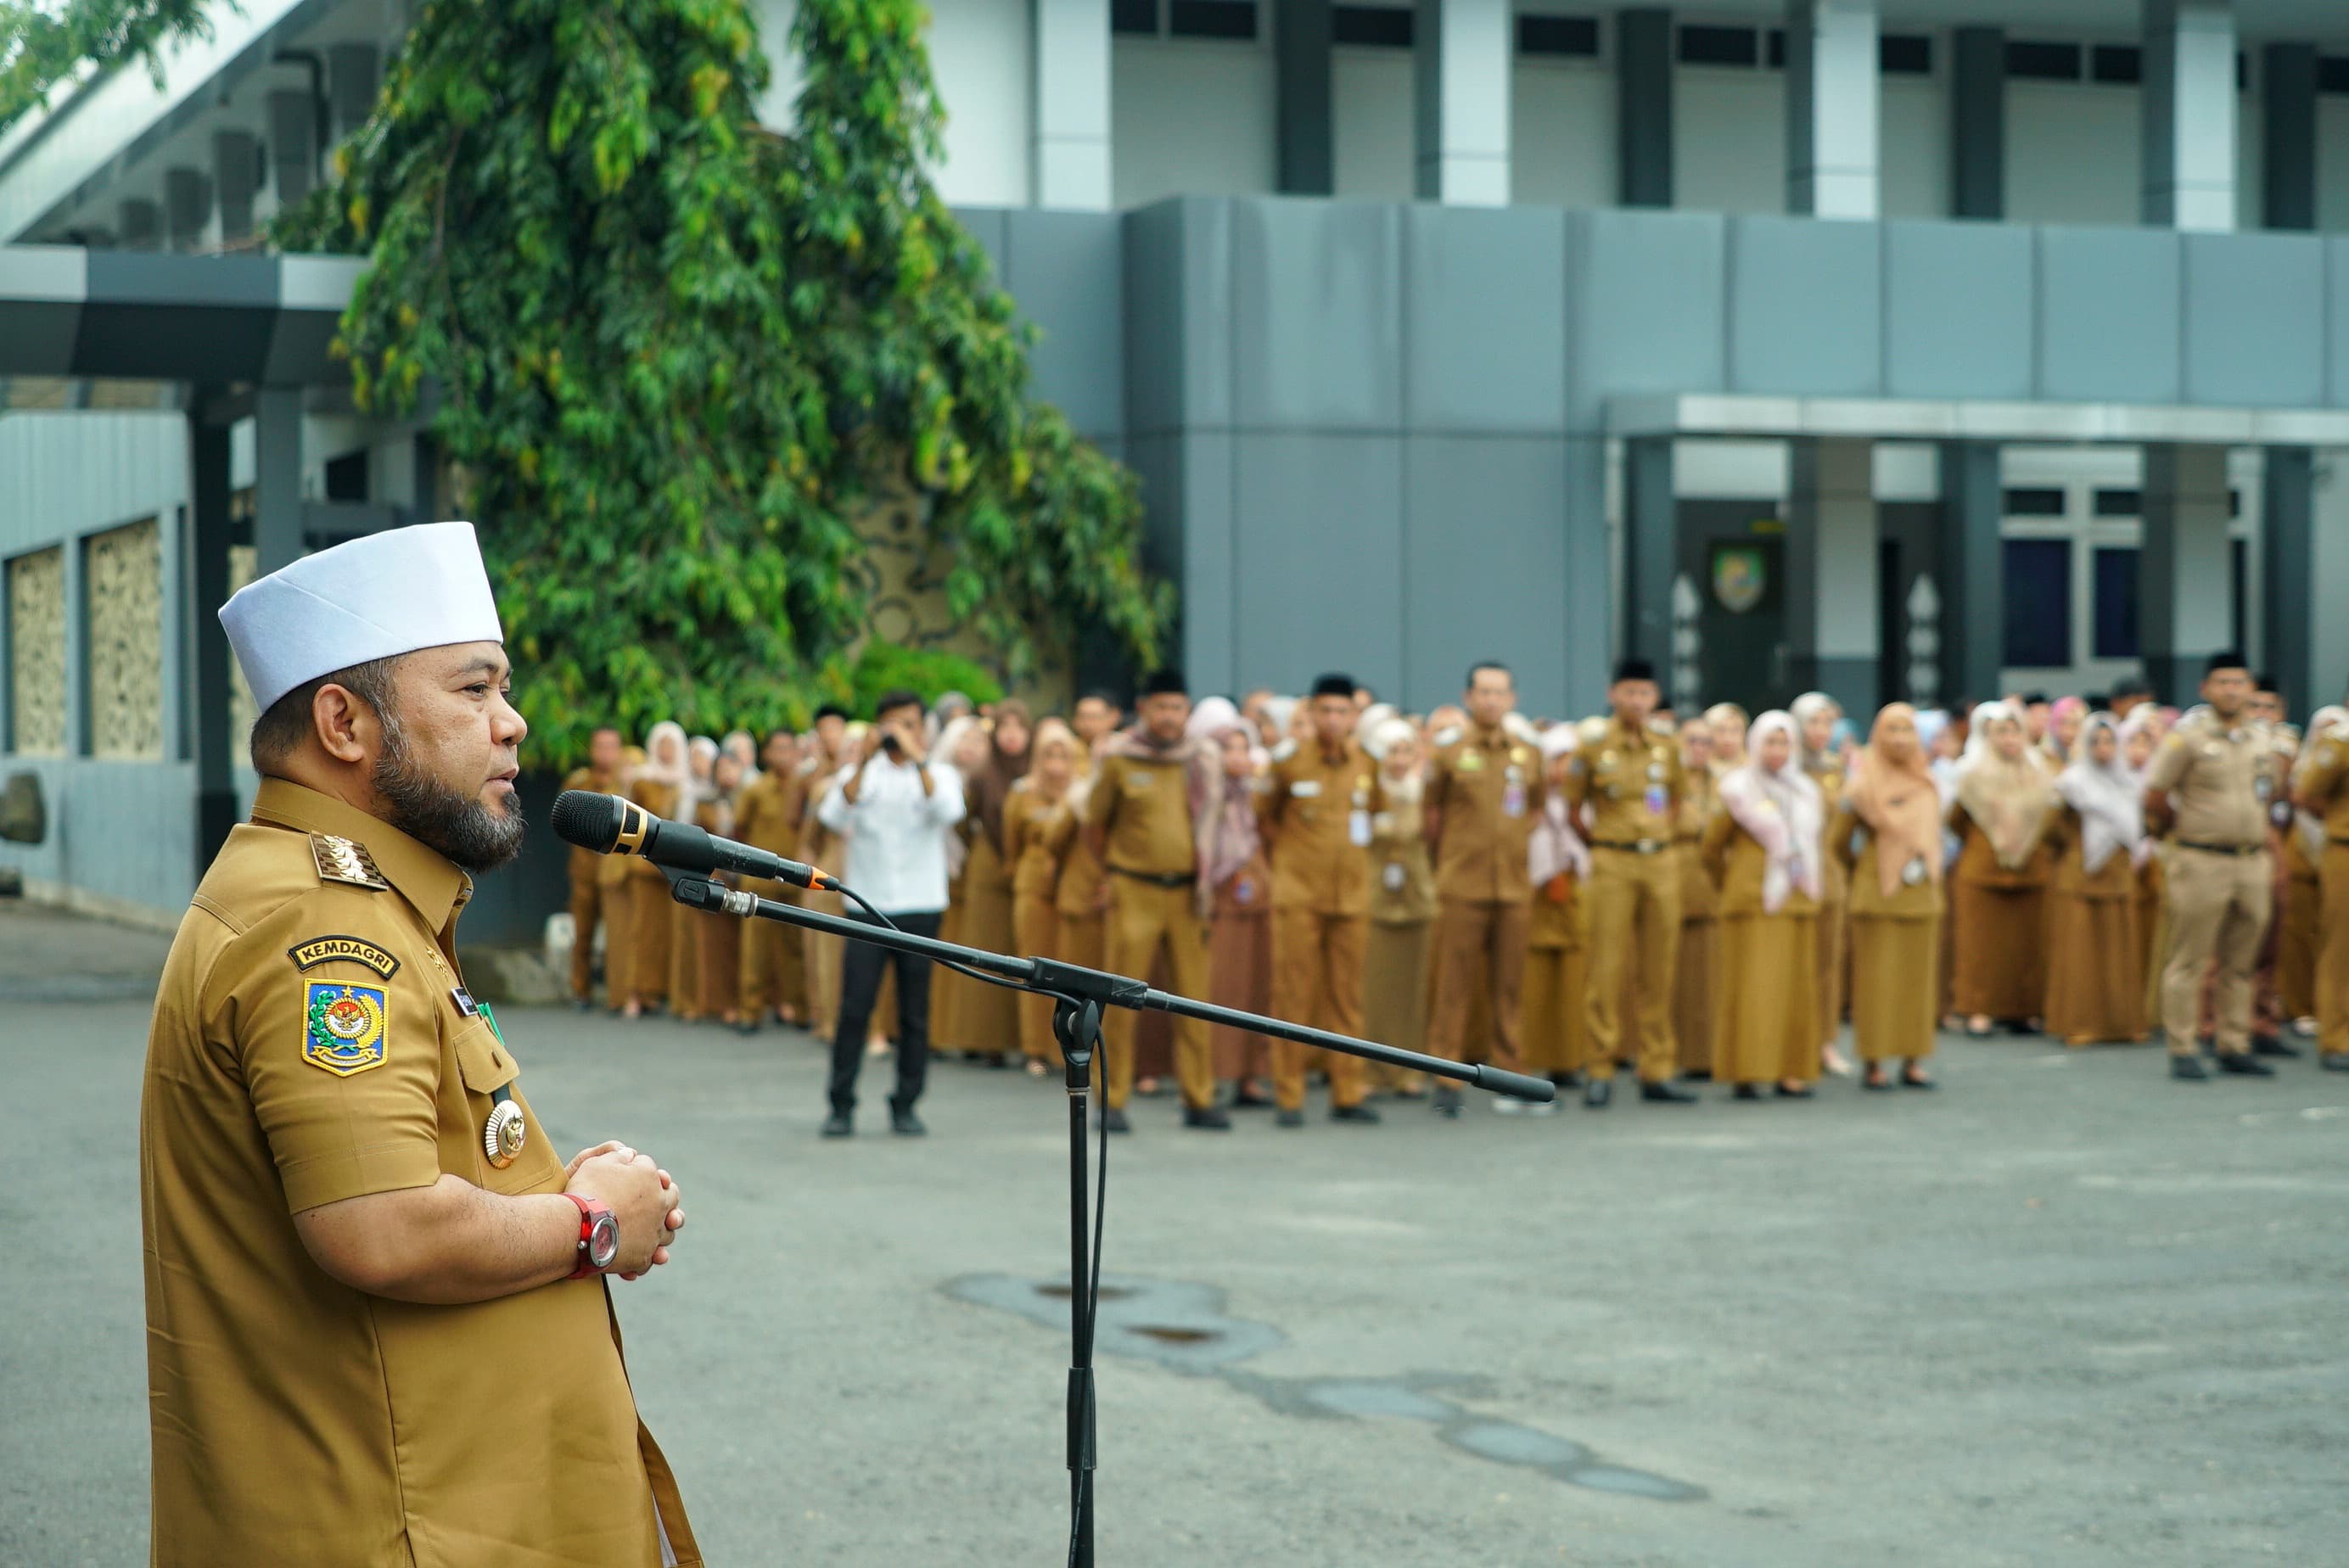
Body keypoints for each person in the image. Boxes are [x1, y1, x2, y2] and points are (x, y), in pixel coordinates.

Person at [149, 522, 696, 1565]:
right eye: (475, 690)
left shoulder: (342, 892)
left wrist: (544, 1203)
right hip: (400, 1522)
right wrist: (589, 1223)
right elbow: (381, 1227)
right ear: (344, 723)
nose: (513, 724)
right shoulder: (326, 924)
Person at [816, 689, 967, 1136]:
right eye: (892, 725)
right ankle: (841, 1105)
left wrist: (918, 758)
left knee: (914, 1013)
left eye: (909, 724)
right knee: (855, 1008)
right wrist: (862, 762)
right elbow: (831, 814)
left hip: (921, 907)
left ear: (922, 728)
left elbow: (949, 810)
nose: (900, 733)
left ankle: (906, 1103)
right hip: (867, 906)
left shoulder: (938, 772)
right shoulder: (862, 773)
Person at [1085, 669, 1225, 1131]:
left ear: (1188, 711)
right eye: (1161, 707)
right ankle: (1113, 1100)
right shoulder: (1121, 760)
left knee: (1194, 1002)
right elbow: (1094, 824)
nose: (1169, 717)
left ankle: (1199, 1098)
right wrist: (1107, 876)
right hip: (1135, 890)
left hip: (1188, 895)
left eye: (1178, 707)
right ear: (1143, 709)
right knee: (1122, 1000)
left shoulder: (1201, 759)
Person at [2144, 652, 2284, 1082]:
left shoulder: (2262, 740)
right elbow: (2155, 794)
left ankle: (2233, 1043)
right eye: (2222, 682)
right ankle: (2183, 1046)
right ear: (2205, 688)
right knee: (2189, 957)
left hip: (2250, 860)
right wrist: (2177, 834)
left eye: (2239, 682)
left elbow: (2273, 794)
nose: (2232, 690)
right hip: (2201, 858)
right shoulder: (2187, 739)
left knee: (2241, 961)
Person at [1567, 658, 1696, 1109]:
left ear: (1654, 697)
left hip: (1660, 861)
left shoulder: (1668, 743)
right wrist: (1602, 843)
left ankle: (1657, 1068)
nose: (1637, 701)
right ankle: (1599, 1067)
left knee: (1659, 969)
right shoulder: (1592, 745)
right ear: (1612, 694)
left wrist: (1660, 835)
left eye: (1644, 693)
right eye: (1628, 692)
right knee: (1605, 968)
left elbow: (1678, 798)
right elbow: (1572, 809)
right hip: (1612, 861)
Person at [1259, 674, 1384, 1127]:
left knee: (1347, 998)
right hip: (1299, 897)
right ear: (1311, 713)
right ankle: (1289, 1095)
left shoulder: (1367, 764)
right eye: (1325, 711)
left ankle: (1346, 1092)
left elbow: (1375, 816)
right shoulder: (1289, 763)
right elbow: (1265, 820)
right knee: (1293, 996)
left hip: (1351, 897)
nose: (1333, 720)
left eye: (1342, 712)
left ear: (1354, 716)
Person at [1422, 662, 1546, 1117]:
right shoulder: (1449, 752)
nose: (1492, 700)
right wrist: (1454, 860)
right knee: (1453, 986)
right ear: (1468, 697)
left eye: (1500, 692)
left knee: (1510, 986)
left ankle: (1511, 1075)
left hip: (1513, 886)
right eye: (1484, 692)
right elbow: (1430, 818)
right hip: (1463, 885)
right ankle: (1446, 1081)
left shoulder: (1528, 754)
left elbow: (1535, 810)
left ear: (1512, 698)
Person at [1703, 711, 1824, 1100]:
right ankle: (1748, 1070)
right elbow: (1711, 848)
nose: (1777, 751)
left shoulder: (1804, 789)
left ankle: (1791, 1071)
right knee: (1753, 989)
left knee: (1796, 989)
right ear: (1755, 745)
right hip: (1753, 900)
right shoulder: (1736, 788)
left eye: (1785, 742)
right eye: (1770, 742)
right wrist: (1734, 881)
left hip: (1797, 897)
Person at [1833, 703, 1943, 1089]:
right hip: (1879, 894)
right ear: (1878, 734)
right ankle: (1874, 1062)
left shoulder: (1927, 780)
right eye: (1891, 730)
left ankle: (1913, 1060)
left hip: (1921, 893)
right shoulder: (1863, 784)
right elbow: (1838, 841)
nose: (1899, 739)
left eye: (1907, 730)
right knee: (1877, 984)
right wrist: (1865, 867)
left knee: (1917, 983)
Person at [1948, 701, 2058, 1038]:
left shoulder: (2043, 772)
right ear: (1988, 735)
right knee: (1980, 945)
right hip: (1983, 869)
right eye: (2002, 731)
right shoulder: (1972, 774)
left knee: (2028, 945)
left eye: (2016, 731)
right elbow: (1956, 821)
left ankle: (2023, 1010)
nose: (2010, 738)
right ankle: (1979, 1009)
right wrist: (1995, 837)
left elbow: (2054, 818)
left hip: (2032, 869)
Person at [2039, 714, 2148, 1046]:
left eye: (2110, 741)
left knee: (2120, 952)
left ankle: (2121, 1024)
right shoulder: (2071, 785)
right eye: (2096, 741)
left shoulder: (2128, 784)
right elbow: (2051, 830)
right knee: (2080, 954)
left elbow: (2140, 829)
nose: (2104, 748)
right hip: (2081, 876)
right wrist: (2073, 852)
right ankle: (2079, 1022)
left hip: (2118, 876)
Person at [934, 703, 1031, 1064]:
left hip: (1026, 871)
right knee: (987, 954)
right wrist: (979, 851)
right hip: (987, 870)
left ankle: (1025, 1043)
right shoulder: (982, 774)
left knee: (1024, 957)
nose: (1011, 734)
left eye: (1018, 726)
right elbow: (961, 821)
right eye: (1004, 726)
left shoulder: (1035, 771)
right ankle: (982, 1041)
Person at [1195, 698, 1276, 1106]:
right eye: (1228, 748)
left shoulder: (1256, 795)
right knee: (1220, 988)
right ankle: (1213, 1075)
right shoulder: (1202, 793)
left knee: (1257, 987)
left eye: (1244, 748)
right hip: (1219, 900)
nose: (1237, 758)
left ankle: (1250, 1074)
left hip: (1259, 900)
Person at [1361, 714, 1436, 1097]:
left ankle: (1411, 1070)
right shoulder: (1367, 791)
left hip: (1417, 897)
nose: (1400, 758)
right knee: (1374, 989)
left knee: (1414, 988)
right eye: (1392, 750)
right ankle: (1371, 1071)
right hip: (1374, 898)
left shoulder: (1425, 791)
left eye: (1408, 749)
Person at [1005, 718, 1082, 1074]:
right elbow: (1011, 845)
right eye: (1049, 753)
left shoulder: (1081, 792)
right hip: (1033, 886)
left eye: (1063, 753)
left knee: (1071, 971)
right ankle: (1035, 1048)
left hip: (1070, 888)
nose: (1056, 762)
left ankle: (1063, 1048)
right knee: (1034, 968)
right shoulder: (1022, 791)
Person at [1520, 724, 1591, 1099]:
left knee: (1572, 979)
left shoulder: (1581, 805)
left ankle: (1567, 1061)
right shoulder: (1530, 800)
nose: (1563, 769)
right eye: (1557, 760)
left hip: (1573, 893)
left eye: (1570, 761)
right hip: (1536, 893)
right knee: (1534, 982)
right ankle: (1527, 1059)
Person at [1791, 692, 1853, 1076]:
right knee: (1794, 962)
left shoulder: (1835, 767)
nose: (1820, 731)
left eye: (1827, 723)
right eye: (1813, 722)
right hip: (1794, 876)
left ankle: (1825, 1041)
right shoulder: (1782, 763)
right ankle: (1793, 1040)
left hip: (1828, 874)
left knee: (1828, 964)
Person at [732, 730, 809, 1032]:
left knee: (796, 950)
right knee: (755, 951)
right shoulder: (755, 789)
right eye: (776, 749)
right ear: (766, 754)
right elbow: (739, 829)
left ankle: (801, 1011)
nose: (783, 755)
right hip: (760, 883)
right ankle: (749, 1012)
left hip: (795, 881)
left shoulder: (803, 787)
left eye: (788, 749)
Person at [2281, 706, 2348, 1039]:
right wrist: (2337, 821)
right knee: (2339, 946)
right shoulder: (2340, 743)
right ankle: (2335, 1036)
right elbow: (2305, 794)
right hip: (2342, 847)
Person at [620, 721, 687, 1019]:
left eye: (672, 745)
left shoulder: (688, 782)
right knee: (642, 934)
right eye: (662, 744)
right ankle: (636, 993)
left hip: (675, 868)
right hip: (645, 866)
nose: (667, 751)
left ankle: (662, 993)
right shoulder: (642, 780)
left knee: (670, 936)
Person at [559, 725, 625, 1008]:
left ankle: (618, 994)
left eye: (612, 746)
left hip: (616, 872)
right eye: (601, 746)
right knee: (583, 933)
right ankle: (580, 990)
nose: (606, 753)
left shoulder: (627, 782)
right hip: (584, 871)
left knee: (619, 932)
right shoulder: (579, 781)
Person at [799, 703, 852, 1040]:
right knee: (827, 950)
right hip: (830, 869)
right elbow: (807, 837)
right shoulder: (816, 782)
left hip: (870, 873)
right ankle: (827, 1021)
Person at [1673, 715, 1720, 1078]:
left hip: (1712, 887)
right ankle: (1665, 1055)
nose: (1699, 749)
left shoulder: (1721, 782)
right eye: (1692, 741)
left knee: (1706, 978)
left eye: (1707, 742)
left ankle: (1703, 1055)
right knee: (1669, 977)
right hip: (1673, 880)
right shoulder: (1668, 781)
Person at [689, 749, 745, 1028]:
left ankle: (747, 1002)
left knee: (745, 946)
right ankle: (719, 1003)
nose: (726, 774)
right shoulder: (704, 802)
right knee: (718, 946)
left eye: (731, 767)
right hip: (715, 877)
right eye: (720, 768)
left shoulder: (749, 798)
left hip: (747, 878)